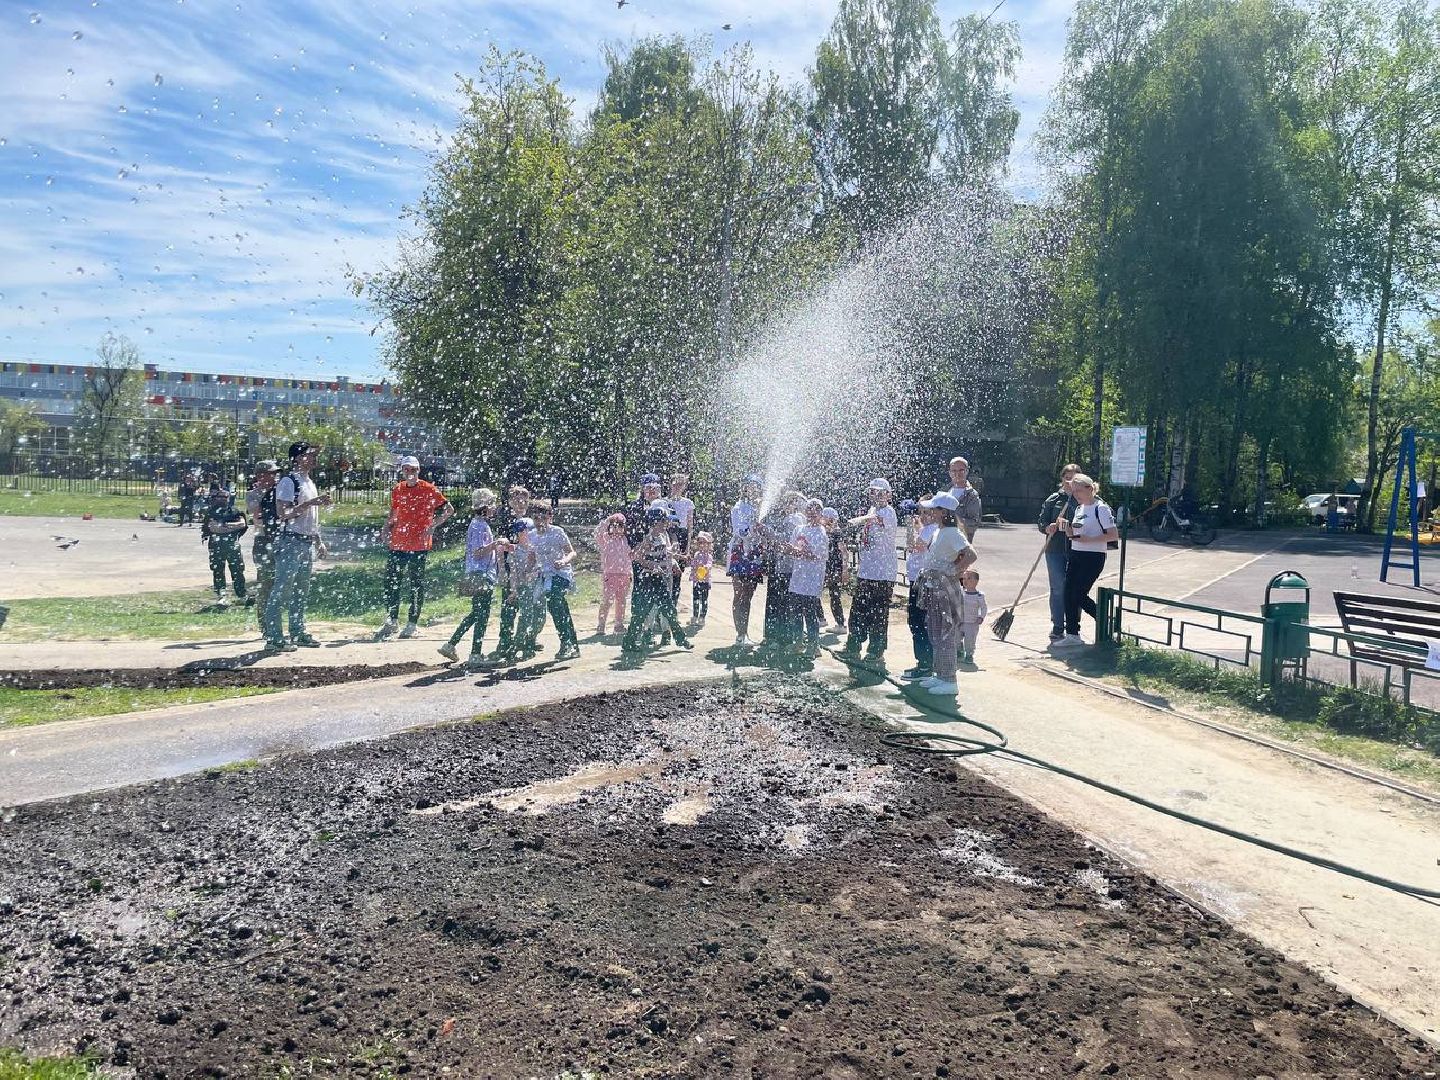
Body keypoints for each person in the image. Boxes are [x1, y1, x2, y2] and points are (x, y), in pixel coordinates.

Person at [378, 456, 453, 640]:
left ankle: (412, 624)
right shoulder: (398, 489)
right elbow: (394, 512)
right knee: (392, 582)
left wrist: (433, 526)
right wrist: (386, 528)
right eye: (407, 470)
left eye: (414, 470)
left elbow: (449, 509)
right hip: (398, 543)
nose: (410, 473)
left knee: (415, 584)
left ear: (419, 471)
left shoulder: (428, 489)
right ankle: (392, 620)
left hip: (419, 545)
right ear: (402, 471)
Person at [265, 442, 330, 652]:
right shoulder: (288, 480)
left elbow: (311, 518)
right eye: (309, 454)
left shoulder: (309, 481)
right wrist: (311, 503)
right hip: (290, 541)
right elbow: (283, 513)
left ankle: (297, 631)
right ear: (297, 458)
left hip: (306, 542)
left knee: (301, 591)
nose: (314, 457)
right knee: (282, 590)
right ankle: (274, 637)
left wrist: (318, 540)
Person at [913, 492, 976, 695]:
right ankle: (939, 674)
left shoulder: (951, 532)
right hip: (933, 586)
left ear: (943, 512)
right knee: (934, 630)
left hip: (943, 587)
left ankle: (949, 679)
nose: (930, 512)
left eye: (933, 509)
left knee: (945, 633)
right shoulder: (938, 531)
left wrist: (954, 570)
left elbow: (971, 554)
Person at [838, 479, 898, 668]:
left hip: (882, 574)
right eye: (872, 493)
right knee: (858, 611)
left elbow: (874, 521)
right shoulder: (873, 511)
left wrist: (856, 520)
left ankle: (876, 652)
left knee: (878, 614)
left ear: (888, 495)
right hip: (867, 571)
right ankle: (853, 646)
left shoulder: (888, 512)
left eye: (880, 493)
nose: (876, 496)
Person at [438, 488, 500, 667]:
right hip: (481, 575)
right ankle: (475, 654)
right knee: (482, 615)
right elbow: (478, 552)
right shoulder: (479, 525)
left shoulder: (478, 523)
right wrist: (496, 544)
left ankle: (451, 645)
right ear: (485, 507)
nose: (494, 507)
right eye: (492, 504)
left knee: (477, 613)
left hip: (477, 574)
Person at [1056, 473, 1118, 646]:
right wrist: (1066, 528)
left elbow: (1113, 535)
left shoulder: (1101, 508)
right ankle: (1072, 634)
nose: (1076, 495)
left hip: (1093, 556)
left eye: (1079, 491)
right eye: (1074, 491)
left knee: (1079, 593)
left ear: (1090, 489)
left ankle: (1105, 620)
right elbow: (1074, 535)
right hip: (1076, 553)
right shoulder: (1078, 509)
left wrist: (1088, 539)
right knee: (1068, 593)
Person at [622, 504, 693, 655]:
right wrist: (653, 566)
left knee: (669, 609)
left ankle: (681, 639)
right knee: (642, 612)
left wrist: (678, 559)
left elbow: (666, 554)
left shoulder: (663, 536)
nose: (666, 524)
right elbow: (638, 558)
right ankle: (629, 641)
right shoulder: (649, 538)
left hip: (659, 579)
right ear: (655, 522)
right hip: (649, 579)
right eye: (663, 521)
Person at [526, 504, 580, 661]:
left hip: (561, 574)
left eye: (543, 517)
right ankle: (572, 644)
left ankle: (566, 644)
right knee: (560, 608)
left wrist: (563, 561)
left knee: (554, 602)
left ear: (549, 517)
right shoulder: (532, 535)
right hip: (545, 576)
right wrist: (526, 571)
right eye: (536, 518)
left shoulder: (557, 532)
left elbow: (572, 552)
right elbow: (531, 558)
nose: (539, 521)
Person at [1037, 464, 1080, 643]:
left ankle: (1073, 625)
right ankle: (1058, 625)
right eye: (1067, 477)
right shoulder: (1053, 500)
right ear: (1062, 479)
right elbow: (1041, 523)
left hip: (1078, 549)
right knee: (1058, 588)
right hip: (1054, 550)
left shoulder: (1084, 498)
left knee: (1075, 588)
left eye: (1074, 478)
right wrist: (1048, 527)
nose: (1070, 481)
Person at [489, 484, 533, 661]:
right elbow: (501, 547)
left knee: (529, 608)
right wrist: (501, 571)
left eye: (524, 499)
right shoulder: (507, 523)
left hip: (529, 570)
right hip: (511, 569)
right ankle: (505, 641)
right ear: (510, 502)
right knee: (509, 605)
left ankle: (526, 641)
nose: (521, 502)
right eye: (517, 499)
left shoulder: (532, 522)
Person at [759, 490, 806, 651]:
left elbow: (784, 541)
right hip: (781, 566)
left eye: (789, 502)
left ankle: (782, 638)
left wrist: (766, 531)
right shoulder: (791, 518)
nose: (786, 505)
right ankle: (779, 637)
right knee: (780, 603)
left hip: (787, 568)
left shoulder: (794, 519)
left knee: (783, 603)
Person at [785, 498, 829, 655]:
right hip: (798, 577)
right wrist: (788, 549)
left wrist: (802, 552)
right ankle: (797, 642)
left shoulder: (821, 532)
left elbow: (819, 555)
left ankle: (814, 645)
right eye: (809, 509)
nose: (812, 512)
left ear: (820, 513)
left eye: (816, 510)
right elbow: (792, 548)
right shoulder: (799, 529)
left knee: (810, 612)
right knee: (795, 612)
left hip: (812, 578)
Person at [901, 498, 938, 682]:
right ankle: (926, 662)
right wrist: (916, 526)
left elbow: (912, 546)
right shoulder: (928, 529)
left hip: (922, 582)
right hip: (918, 580)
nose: (923, 516)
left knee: (918, 622)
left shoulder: (931, 530)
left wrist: (909, 525)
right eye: (920, 512)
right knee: (919, 622)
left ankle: (925, 664)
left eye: (927, 512)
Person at [727, 474, 765, 647]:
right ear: (745, 488)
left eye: (756, 486)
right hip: (740, 552)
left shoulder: (761, 507)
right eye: (750, 486)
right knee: (740, 594)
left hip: (755, 555)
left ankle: (745, 633)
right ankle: (740, 634)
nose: (753, 489)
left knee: (749, 595)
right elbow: (739, 531)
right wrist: (753, 527)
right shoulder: (738, 507)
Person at [200, 486, 249, 607]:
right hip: (216, 546)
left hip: (233, 545)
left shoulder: (234, 510)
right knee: (218, 570)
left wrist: (224, 526)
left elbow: (242, 524)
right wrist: (231, 526)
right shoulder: (211, 512)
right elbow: (212, 527)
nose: (222, 499)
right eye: (220, 497)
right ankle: (221, 596)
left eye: (225, 497)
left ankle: (242, 594)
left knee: (238, 570)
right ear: (216, 498)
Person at [246, 460, 280, 621]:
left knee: (280, 582)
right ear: (260, 475)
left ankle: (275, 620)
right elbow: (256, 512)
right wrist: (266, 493)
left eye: (275, 473)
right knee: (265, 581)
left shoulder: (279, 490)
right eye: (271, 473)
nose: (275, 476)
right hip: (263, 540)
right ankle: (264, 621)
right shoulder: (253, 494)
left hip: (280, 538)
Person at [594, 512, 634, 635]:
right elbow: (597, 533)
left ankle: (619, 624)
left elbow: (631, 555)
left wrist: (631, 571)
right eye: (614, 526)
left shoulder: (627, 540)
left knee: (621, 600)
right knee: (607, 600)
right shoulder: (606, 538)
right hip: (610, 574)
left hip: (625, 574)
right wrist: (607, 520)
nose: (617, 529)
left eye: (620, 526)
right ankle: (601, 624)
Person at [666, 473, 695, 614]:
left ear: (684, 486)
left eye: (680, 484)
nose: (677, 487)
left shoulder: (688, 503)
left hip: (682, 535)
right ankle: (663, 608)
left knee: (677, 573)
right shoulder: (665, 502)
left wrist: (688, 548)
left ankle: (672, 607)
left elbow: (690, 527)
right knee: (666, 572)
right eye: (675, 483)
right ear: (671, 484)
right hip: (667, 535)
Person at [820, 507, 847, 631]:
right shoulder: (827, 532)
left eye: (823, 518)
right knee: (833, 594)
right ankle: (828, 620)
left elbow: (844, 551)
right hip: (829, 567)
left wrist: (844, 569)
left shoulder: (835, 533)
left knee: (832, 595)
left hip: (832, 568)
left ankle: (838, 623)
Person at [946, 457, 983, 541]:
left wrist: (951, 521)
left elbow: (974, 523)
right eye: (954, 471)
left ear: (967, 471)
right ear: (949, 473)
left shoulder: (972, 495)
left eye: (961, 470)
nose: (957, 474)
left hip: (960, 545)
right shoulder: (944, 491)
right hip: (943, 544)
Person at [958, 569, 988, 664]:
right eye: (964, 578)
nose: (965, 581)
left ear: (976, 581)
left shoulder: (979, 596)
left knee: (970, 640)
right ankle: (959, 650)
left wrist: (981, 616)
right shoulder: (961, 593)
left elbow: (983, 607)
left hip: (972, 622)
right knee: (956, 637)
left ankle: (969, 654)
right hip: (960, 620)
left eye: (969, 578)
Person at [689, 531, 715, 624]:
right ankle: (695, 615)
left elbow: (709, 564)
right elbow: (693, 564)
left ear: (708, 544)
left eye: (704, 543)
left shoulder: (709, 556)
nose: (702, 545)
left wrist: (705, 567)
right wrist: (693, 564)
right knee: (695, 598)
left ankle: (702, 617)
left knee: (704, 599)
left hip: (705, 580)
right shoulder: (696, 554)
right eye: (700, 542)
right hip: (696, 579)